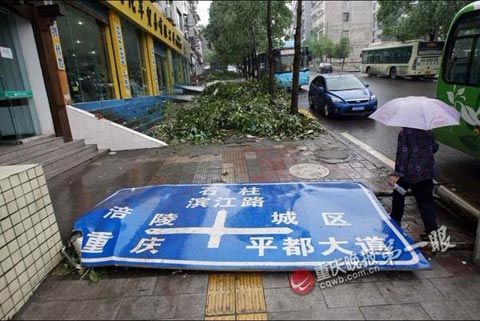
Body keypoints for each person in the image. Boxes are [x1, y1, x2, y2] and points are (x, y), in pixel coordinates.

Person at [389, 127, 439, 240]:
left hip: (409, 174)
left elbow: (402, 155)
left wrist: (397, 174)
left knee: (398, 194)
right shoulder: (428, 131)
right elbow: (435, 148)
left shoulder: (405, 132)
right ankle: (432, 232)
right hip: (426, 173)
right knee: (427, 203)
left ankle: (395, 223)